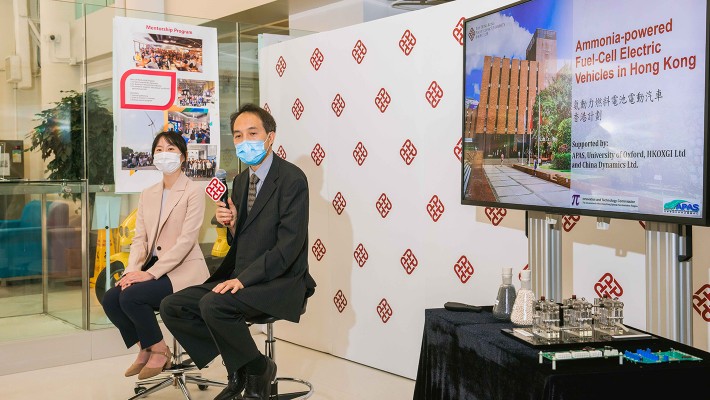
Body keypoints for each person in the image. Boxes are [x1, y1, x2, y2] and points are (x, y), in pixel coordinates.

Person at [160, 103, 316, 400]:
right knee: (172, 306)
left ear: (270, 137)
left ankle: (246, 374)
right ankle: (251, 365)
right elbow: (243, 239)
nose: (245, 141)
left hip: (278, 280)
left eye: (252, 133)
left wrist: (243, 280)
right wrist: (231, 226)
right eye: (238, 135)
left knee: (213, 305)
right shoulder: (241, 180)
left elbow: (288, 247)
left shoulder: (293, 180)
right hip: (242, 273)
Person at [101, 131, 210, 380]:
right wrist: (131, 272)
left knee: (131, 298)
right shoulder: (148, 193)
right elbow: (140, 239)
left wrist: (149, 274)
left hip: (183, 270)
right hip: (151, 267)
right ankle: (146, 348)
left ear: (182, 157)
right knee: (111, 298)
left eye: (170, 149)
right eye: (159, 150)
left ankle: (160, 351)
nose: (164, 154)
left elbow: (186, 242)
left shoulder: (193, 191)